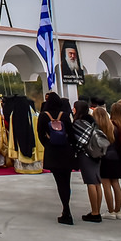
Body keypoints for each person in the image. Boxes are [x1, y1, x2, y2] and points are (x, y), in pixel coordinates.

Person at [38, 92, 75, 225]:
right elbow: (71, 134)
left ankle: (66, 210)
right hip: (66, 151)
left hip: (53, 153)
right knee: (66, 181)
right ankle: (67, 208)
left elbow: (40, 135)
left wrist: (48, 145)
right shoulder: (64, 116)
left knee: (60, 182)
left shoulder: (43, 116)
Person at [70, 100, 103, 222]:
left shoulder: (78, 123)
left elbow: (80, 141)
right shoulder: (92, 121)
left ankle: (94, 212)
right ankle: (97, 210)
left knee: (90, 182)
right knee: (97, 182)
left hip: (86, 154)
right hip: (97, 153)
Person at [93, 106, 121, 220]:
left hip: (104, 158)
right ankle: (118, 210)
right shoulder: (114, 127)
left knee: (106, 185)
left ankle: (110, 211)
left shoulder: (97, 129)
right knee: (116, 183)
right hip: (115, 157)